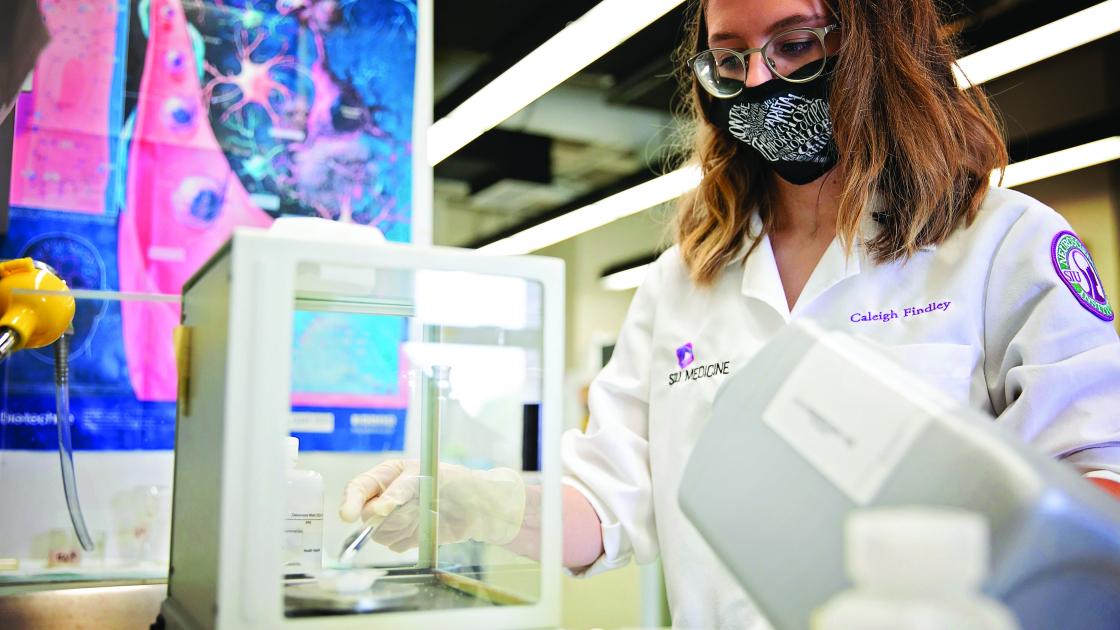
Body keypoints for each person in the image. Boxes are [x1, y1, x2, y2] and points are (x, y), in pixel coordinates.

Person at [339, 0, 1120, 627]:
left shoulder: (1001, 245)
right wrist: (475, 502)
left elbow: (1098, 502)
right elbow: (609, 504)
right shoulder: (684, 280)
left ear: (876, 44)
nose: (760, 82)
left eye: (796, 44)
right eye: (731, 58)